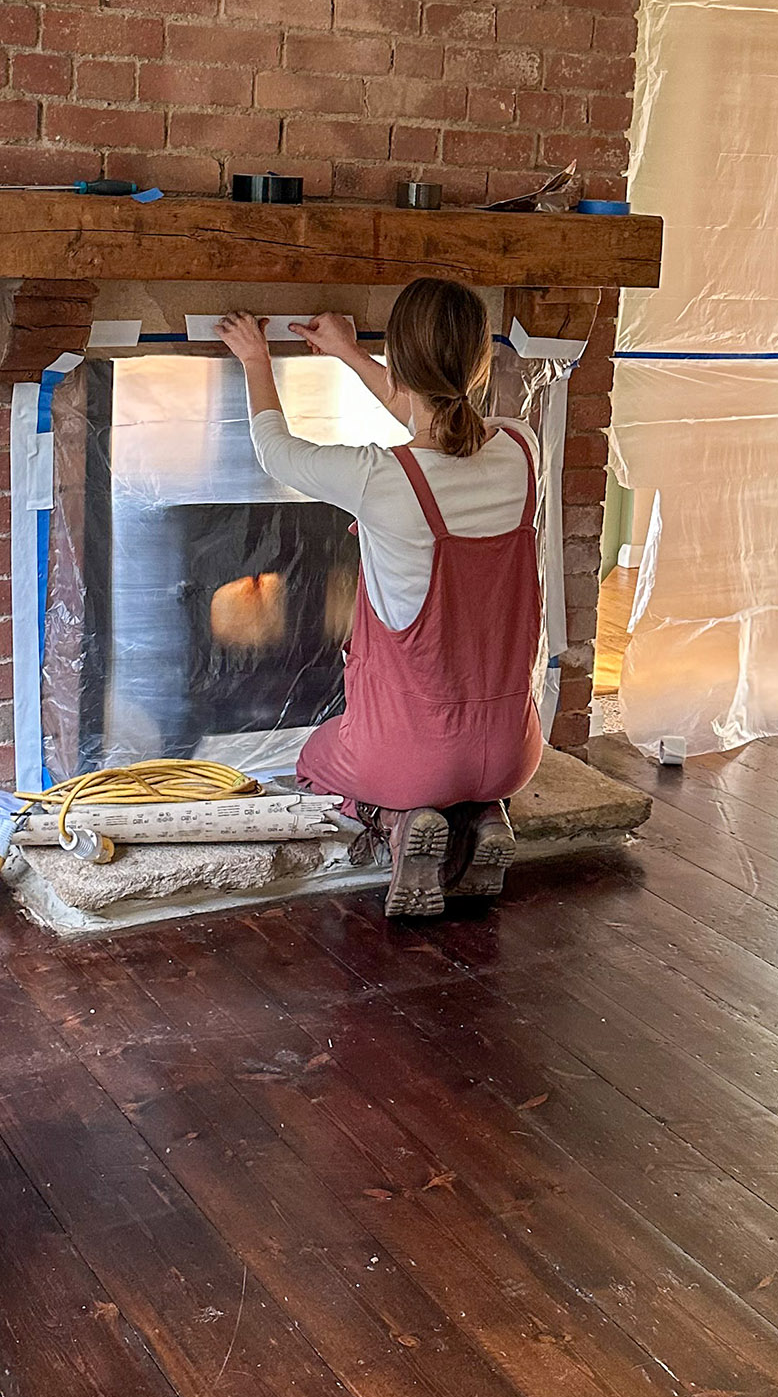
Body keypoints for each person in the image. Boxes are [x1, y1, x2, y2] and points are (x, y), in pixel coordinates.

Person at [217, 280, 544, 918]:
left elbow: (275, 452)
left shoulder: (380, 477)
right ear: (480, 365)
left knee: (313, 760)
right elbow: (433, 417)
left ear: (399, 363)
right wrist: (349, 353)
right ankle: (484, 816)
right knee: (464, 769)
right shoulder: (522, 448)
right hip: (513, 752)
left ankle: (399, 823)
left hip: (412, 760)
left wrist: (256, 359)